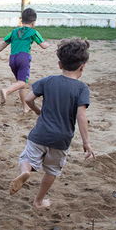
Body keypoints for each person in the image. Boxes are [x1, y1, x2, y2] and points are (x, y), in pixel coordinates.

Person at [9, 38, 94, 209]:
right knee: (52, 170)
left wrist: (37, 110)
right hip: (61, 139)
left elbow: (28, 98)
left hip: (41, 133)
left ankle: (25, 171)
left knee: (27, 159)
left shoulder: (48, 81)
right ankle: (39, 200)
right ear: (82, 66)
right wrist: (86, 142)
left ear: (59, 64)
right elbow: (81, 116)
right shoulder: (81, 89)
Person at [0, 7, 48, 109]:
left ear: (21, 20)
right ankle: (7, 90)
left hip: (12, 59)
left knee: (21, 84)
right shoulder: (33, 32)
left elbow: (3, 44)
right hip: (23, 58)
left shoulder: (14, 32)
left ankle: (25, 108)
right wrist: (49, 44)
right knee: (22, 82)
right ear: (33, 23)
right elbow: (43, 45)